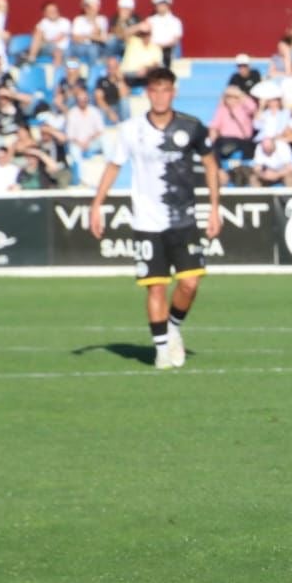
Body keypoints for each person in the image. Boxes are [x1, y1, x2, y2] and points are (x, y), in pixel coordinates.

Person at [87, 67, 221, 371]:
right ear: (148, 93)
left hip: (184, 220)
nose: (160, 96)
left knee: (189, 284)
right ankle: (162, 352)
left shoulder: (192, 126)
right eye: (155, 90)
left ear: (174, 92)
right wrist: (97, 205)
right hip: (147, 222)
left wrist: (214, 207)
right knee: (156, 287)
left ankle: (173, 327)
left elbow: (210, 164)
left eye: (166, 90)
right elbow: (113, 166)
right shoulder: (131, 129)